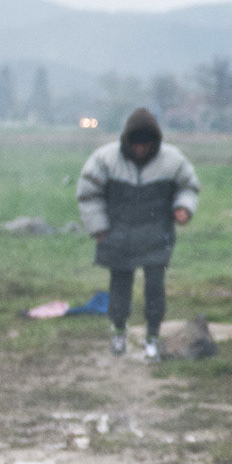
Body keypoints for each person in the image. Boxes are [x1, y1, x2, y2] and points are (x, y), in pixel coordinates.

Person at [77, 108, 200, 359]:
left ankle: (152, 337)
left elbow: (188, 186)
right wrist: (98, 227)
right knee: (119, 289)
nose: (141, 149)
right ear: (127, 141)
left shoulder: (173, 160)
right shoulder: (105, 159)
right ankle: (119, 333)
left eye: (147, 144)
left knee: (155, 289)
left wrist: (183, 208)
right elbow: (89, 194)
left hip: (156, 237)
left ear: (155, 142)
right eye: (136, 144)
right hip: (117, 237)